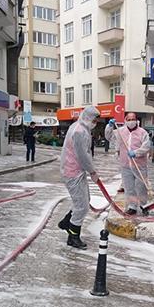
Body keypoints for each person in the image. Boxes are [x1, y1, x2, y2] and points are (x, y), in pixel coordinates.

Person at [57, 106, 100, 249]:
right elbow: (83, 156)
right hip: (72, 172)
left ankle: (66, 222)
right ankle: (73, 236)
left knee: (84, 201)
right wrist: (92, 171)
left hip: (76, 171)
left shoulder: (80, 128)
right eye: (94, 120)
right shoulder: (79, 131)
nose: (95, 123)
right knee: (81, 206)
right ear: (88, 117)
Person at [105, 112, 151, 215]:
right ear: (125, 120)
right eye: (129, 119)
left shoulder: (142, 132)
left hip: (139, 164)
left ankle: (143, 205)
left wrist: (136, 153)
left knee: (141, 186)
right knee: (129, 187)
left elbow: (147, 146)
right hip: (125, 165)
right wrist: (109, 126)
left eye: (133, 119)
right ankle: (132, 206)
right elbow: (109, 136)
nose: (131, 121)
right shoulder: (120, 131)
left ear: (136, 120)